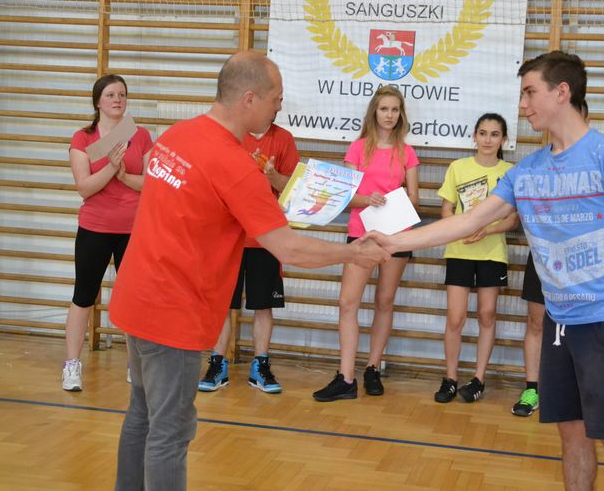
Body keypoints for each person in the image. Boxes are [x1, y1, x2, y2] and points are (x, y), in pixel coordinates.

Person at [366, 51, 604, 490]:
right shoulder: (528, 170)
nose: (522, 105)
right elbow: (468, 220)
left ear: (561, 92)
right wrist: (394, 242)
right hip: (559, 322)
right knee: (571, 433)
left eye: (529, 93)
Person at [108, 51, 389, 491]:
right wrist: (353, 254)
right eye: (276, 98)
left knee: (142, 415)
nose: (280, 106)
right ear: (250, 99)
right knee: (169, 432)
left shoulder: (176, 135)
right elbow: (287, 247)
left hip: (135, 298)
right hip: (172, 313)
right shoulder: (234, 164)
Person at [312, 85, 419, 402]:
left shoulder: (407, 151)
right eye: (384, 109)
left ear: (401, 114)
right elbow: (345, 196)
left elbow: (414, 197)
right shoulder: (358, 149)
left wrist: (395, 203)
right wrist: (367, 199)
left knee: (384, 301)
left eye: (395, 110)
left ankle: (373, 367)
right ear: (374, 111)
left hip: (396, 235)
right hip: (361, 233)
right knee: (348, 302)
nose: (389, 115)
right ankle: (346, 377)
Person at [62, 74, 153, 392]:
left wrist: (124, 176)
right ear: (98, 101)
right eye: (111, 94)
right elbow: (84, 188)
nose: (118, 100)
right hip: (95, 227)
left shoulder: (140, 135)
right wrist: (112, 167)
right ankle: (72, 365)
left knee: (133, 299)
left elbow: (151, 183)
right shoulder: (83, 138)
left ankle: (135, 365)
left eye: (122, 95)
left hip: (133, 229)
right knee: (83, 296)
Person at [198, 121, 299, 394]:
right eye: (273, 101)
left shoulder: (283, 138)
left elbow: (292, 189)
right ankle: (217, 364)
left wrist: (271, 175)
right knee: (221, 303)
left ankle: (260, 367)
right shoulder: (230, 136)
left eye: (278, 102)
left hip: (265, 237)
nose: (275, 106)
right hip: (227, 236)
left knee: (263, 305)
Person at [434, 113, 518, 404]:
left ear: (503, 140)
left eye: (494, 134)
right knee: (455, 317)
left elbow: (513, 218)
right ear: (474, 136)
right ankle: (450, 378)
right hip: (459, 251)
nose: (487, 139)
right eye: (483, 133)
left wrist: (486, 230)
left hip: (492, 253)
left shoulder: (510, 171)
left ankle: (479, 379)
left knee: (486, 315)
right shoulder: (458, 167)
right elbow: (446, 210)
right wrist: (461, 229)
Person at [512, 99, 588, 417]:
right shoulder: (536, 165)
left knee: (582, 327)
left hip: (583, 259)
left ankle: (578, 390)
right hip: (544, 255)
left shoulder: (599, 161)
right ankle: (532, 388)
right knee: (536, 321)